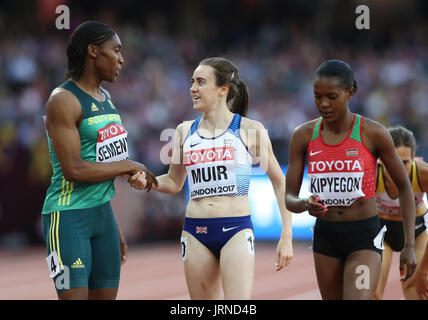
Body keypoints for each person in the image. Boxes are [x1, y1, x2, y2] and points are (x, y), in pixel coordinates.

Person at [133, 57, 293, 299]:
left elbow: (280, 181)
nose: (192, 88)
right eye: (192, 82)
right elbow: (175, 182)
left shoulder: (249, 129)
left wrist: (287, 236)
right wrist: (150, 181)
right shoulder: (184, 131)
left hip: (236, 229)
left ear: (223, 89)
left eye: (200, 82)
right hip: (195, 232)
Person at [42, 21, 157, 300]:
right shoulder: (63, 100)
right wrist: (131, 165)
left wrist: (112, 224)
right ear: (93, 51)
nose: (122, 59)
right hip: (67, 217)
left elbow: (108, 163)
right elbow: (74, 169)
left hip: (102, 217)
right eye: (115, 50)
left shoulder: (106, 99)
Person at [285, 59, 417, 300]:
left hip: (364, 236)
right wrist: (305, 203)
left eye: (331, 96)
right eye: (317, 96)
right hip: (325, 236)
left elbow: (405, 189)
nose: (323, 104)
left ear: (350, 93)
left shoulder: (372, 132)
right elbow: (289, 198)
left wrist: (409, 245)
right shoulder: (303, 136)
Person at [374, 126, 428, 300]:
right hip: (381, 231)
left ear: (413, 159)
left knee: (418, 292)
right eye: (392, 161)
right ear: (381, 160)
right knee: (370, 294)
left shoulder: (423, 174)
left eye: (404, 162)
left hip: (416, 230)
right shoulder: (372, 174)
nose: (397, 169)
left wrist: (423, 271)